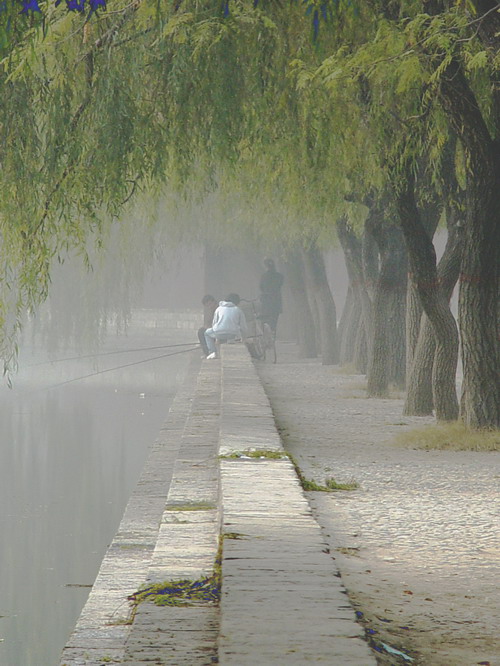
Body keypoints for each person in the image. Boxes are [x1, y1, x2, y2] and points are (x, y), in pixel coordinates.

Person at [204, 293, 248, 359]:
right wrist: (243, 338)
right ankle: (230, 342)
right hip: (233, 335)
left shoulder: (219, 309)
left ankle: (212, 352)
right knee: (232, 332)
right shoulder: (238, 310)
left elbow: (214, 324)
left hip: (219, 334)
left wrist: (217, 339)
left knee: (206, 333)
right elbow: (243, 327)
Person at [259, 257, 284, 334]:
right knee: (274, 322)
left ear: (265, 266)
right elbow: (279, 286)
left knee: (265, 321)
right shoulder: (280, 276)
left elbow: (261, 288)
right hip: (276, 302)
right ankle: (273, 338)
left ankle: (266, 339)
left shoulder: (263, 276)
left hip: (266, 302)